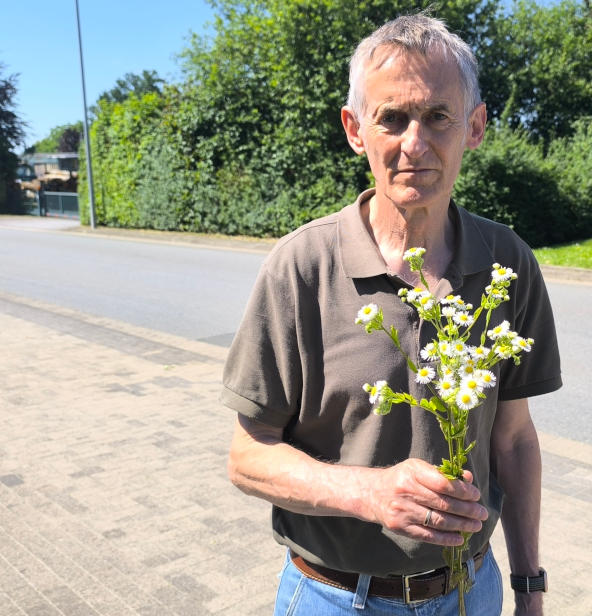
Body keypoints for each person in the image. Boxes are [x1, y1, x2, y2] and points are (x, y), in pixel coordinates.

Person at [222, 13, 561, 616]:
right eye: (392, 118)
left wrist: (529, 587)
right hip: (331, 597)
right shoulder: (302, 266)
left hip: (469, 592)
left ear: (475, 127)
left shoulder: (506, 262)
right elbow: (248, 457)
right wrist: (368, 492)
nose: (414, 143)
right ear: (356, 129)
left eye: (437, 116)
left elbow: (512, 440)